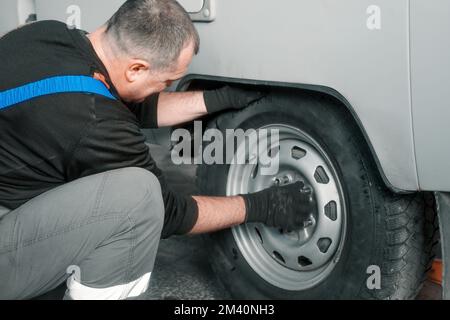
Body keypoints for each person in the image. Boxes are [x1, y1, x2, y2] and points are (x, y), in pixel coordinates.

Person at [0, 0, 315, 300]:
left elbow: (115, 100)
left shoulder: (46, 35)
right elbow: (172, 214)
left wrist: (217, 99)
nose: (165, 89)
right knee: (139, 198)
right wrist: (260, 206)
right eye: (166, 82)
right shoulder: (94, 119)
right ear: (136, 69)